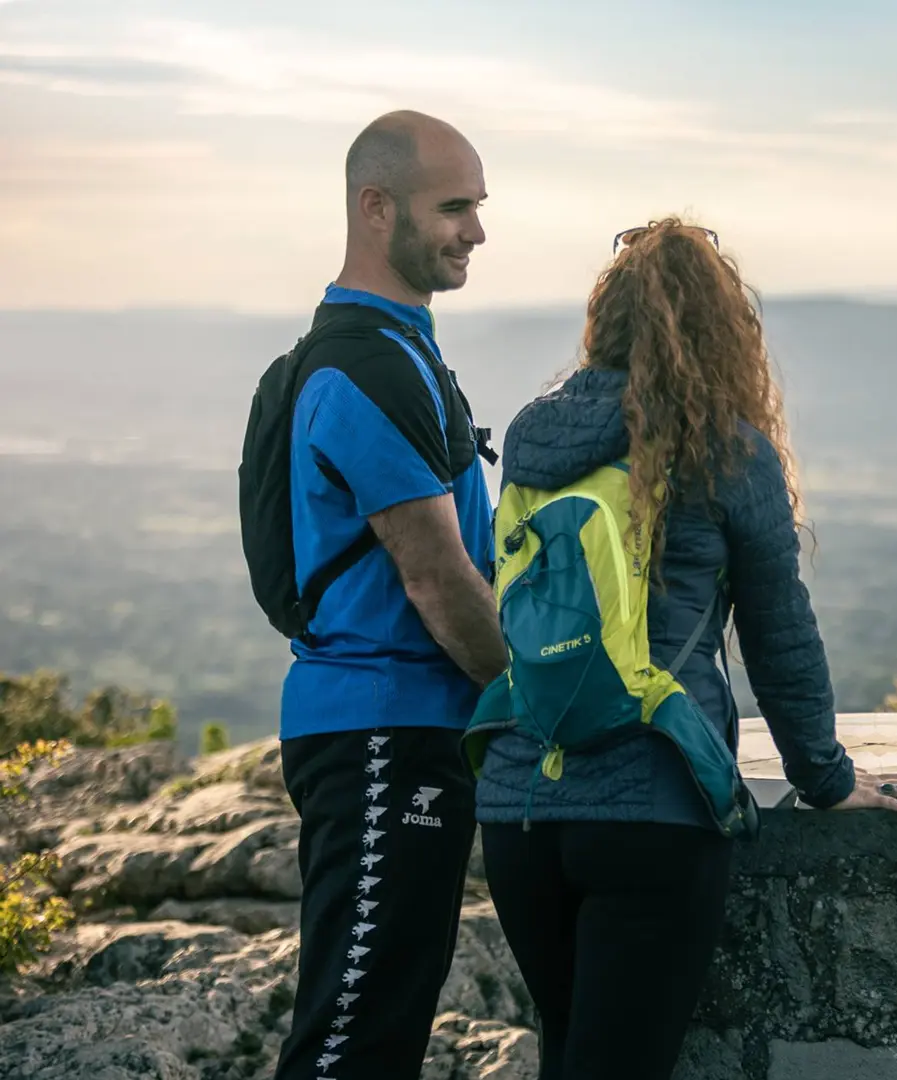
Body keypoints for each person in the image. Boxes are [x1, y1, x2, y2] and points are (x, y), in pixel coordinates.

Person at [473, 219, 897, 1080]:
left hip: (519, 802)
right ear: (725, 335)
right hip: (654, 799)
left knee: (569, 1051)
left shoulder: (535, 439)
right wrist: (827, 778)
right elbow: (778, 634)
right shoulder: (724, 451)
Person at [274, 111, 505, 1080]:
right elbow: (439, 582)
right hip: (381, 733)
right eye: (454, 207)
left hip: (405, 733)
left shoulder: (397, 348)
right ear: (376, 209)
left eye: (479, 208)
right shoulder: (366, 369)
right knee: (353, 1040)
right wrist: (537, 704)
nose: (477, 232)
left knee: (386, 1021)